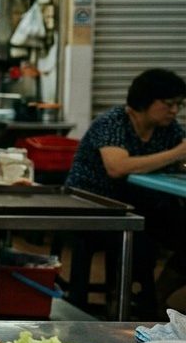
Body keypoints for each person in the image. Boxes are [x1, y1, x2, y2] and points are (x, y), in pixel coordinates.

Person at [65, 68, 186, 316]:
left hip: (143, 205)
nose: (175, 111)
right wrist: (177, 154)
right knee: (142, 244)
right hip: (95, 206)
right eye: (169, 104)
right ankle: (134, 305)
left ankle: (157, 298)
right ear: (145, 101)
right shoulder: (112, 122)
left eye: (179, 105)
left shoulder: (169, 129)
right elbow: (117, 167)